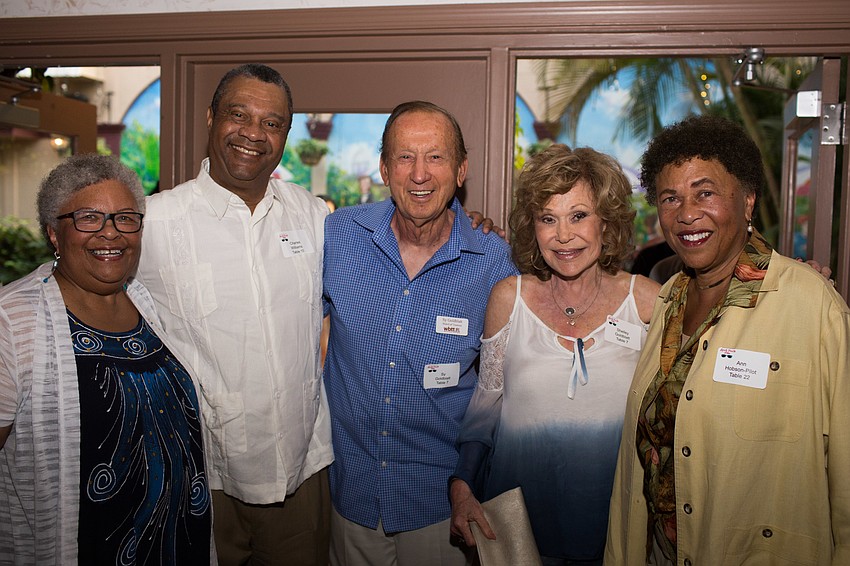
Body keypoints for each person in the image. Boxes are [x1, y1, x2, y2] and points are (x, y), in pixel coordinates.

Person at [605, 115, 850, 565]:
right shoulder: (668, 301)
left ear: (749, 200)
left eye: (705, 192)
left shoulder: (811, 305)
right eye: (670, 198)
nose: (686, 213)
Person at [134, 63, 333, 565]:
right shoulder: (155, 222)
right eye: (238, 115)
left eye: (272, 123)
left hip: (300, 470)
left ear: (286, 134)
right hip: (201, 476)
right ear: (210, 117)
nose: (253, 134)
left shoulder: (314, 216)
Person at [322, 100, 518, 565]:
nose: (420, 174)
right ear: (385, 168)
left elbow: (504, 389)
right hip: (351, 495)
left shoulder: (494, 261)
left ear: (461, 170)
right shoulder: (338, 236)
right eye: (405, 157)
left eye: (436, 157)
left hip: (441, 506)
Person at [448, 144, 659, 564]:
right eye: (549, 219)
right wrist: (461, 486)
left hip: (615, 526)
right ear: (533, 227)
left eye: (579, 216)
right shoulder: (509, 298)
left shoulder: (648, 302)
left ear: (607, 222)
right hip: (517, 526)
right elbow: (486, 406)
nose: (563, 236)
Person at [0, 154, 213, 564]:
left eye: (125, 218)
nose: (110, 233)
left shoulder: (145, 302)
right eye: (88, 218)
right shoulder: (12, 321)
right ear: (53, 234)